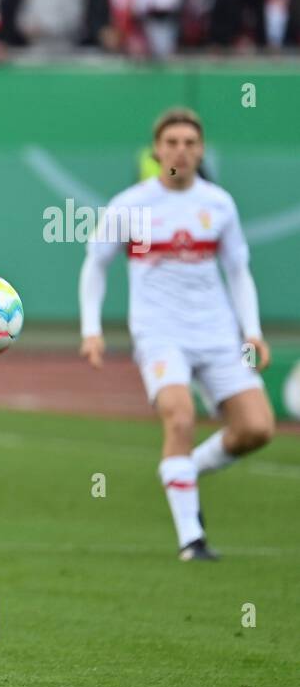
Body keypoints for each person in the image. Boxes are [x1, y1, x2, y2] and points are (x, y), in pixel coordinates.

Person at [79, 107, 275, 560]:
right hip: (159, 333)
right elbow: (96, 265)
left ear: (201, 150)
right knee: (180, 417)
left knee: (257, 429)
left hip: (219, 333)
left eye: (189, 143)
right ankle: (192, 538)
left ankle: (183, 471)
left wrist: (253, 332)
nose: (181, 152)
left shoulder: (219, 204)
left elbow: (239, 272)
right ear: (157, 150)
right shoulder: (129, 205)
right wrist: (92, 330)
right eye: (172, 143)